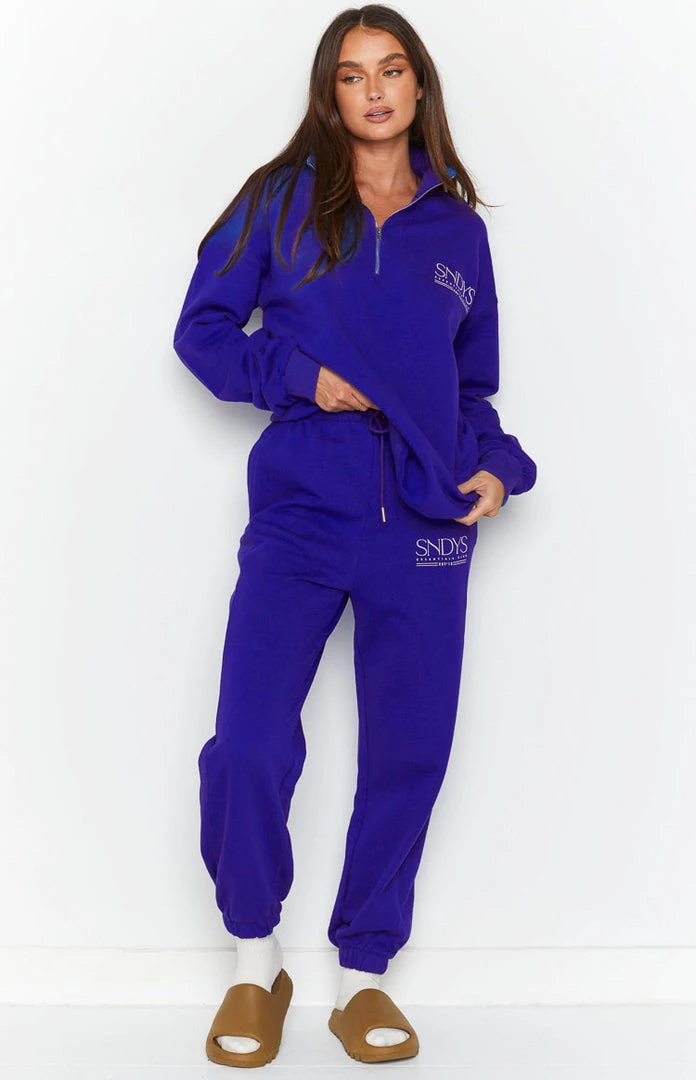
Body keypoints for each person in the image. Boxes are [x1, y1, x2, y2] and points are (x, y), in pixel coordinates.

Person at [173, 4, 536, 1068]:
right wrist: (297, 377)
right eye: (350, 74)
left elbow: (470, 386)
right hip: (301, 507)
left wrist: (495, 466)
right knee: (248, 739)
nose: (374, 90)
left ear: (419, 86)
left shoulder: (457, 232)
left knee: (408, 750)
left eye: (392, 70)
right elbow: (201, 330)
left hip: (424, 521)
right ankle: (256, 962)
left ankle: (364, 975)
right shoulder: (279, 201)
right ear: (329, 94)